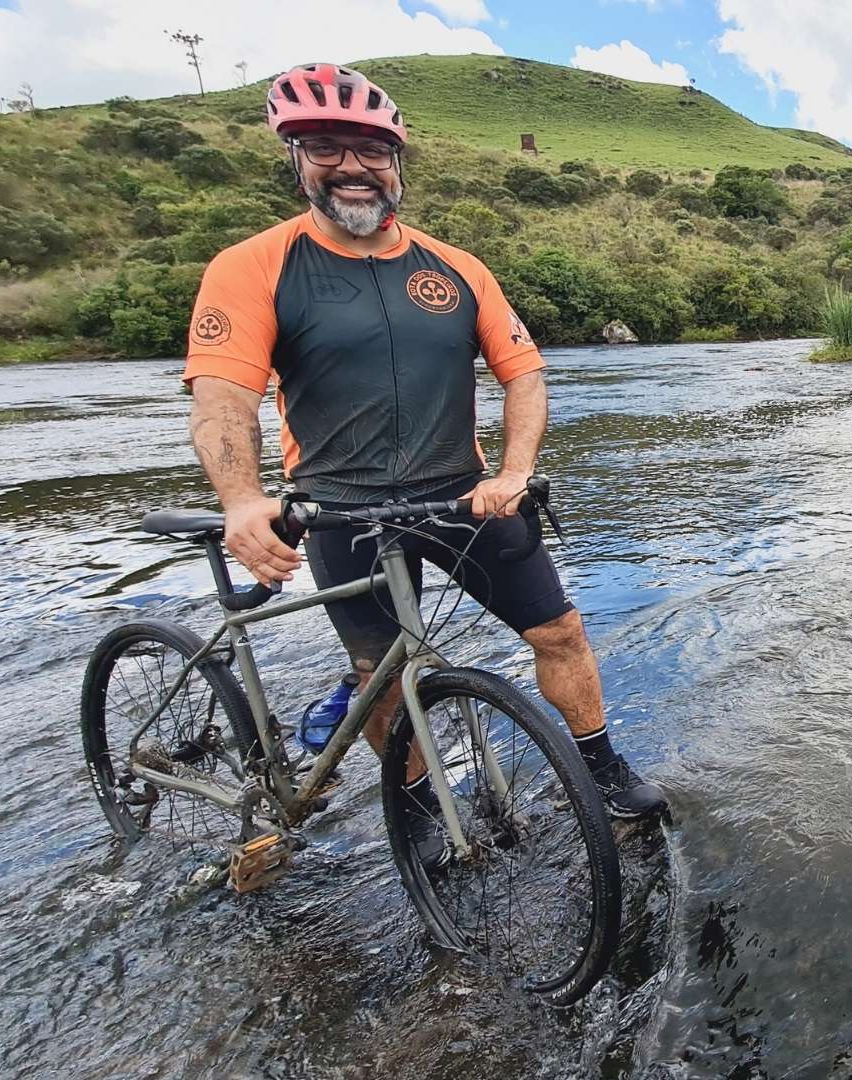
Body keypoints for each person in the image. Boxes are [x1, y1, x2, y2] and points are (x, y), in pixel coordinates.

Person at [181, 63, 664, 821]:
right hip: (339, 509)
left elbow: (524, 375)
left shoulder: (459, 269)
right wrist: (241, 500)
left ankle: (601, 767)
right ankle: (417, 811)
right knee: (379, 670)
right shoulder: (252, 267)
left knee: (560, 630)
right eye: (325, 147)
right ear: (294, 160)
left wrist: (515, 469)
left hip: (460, 492)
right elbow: (221, 397)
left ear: (397, 161)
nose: (351, 167)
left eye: (371, 151)